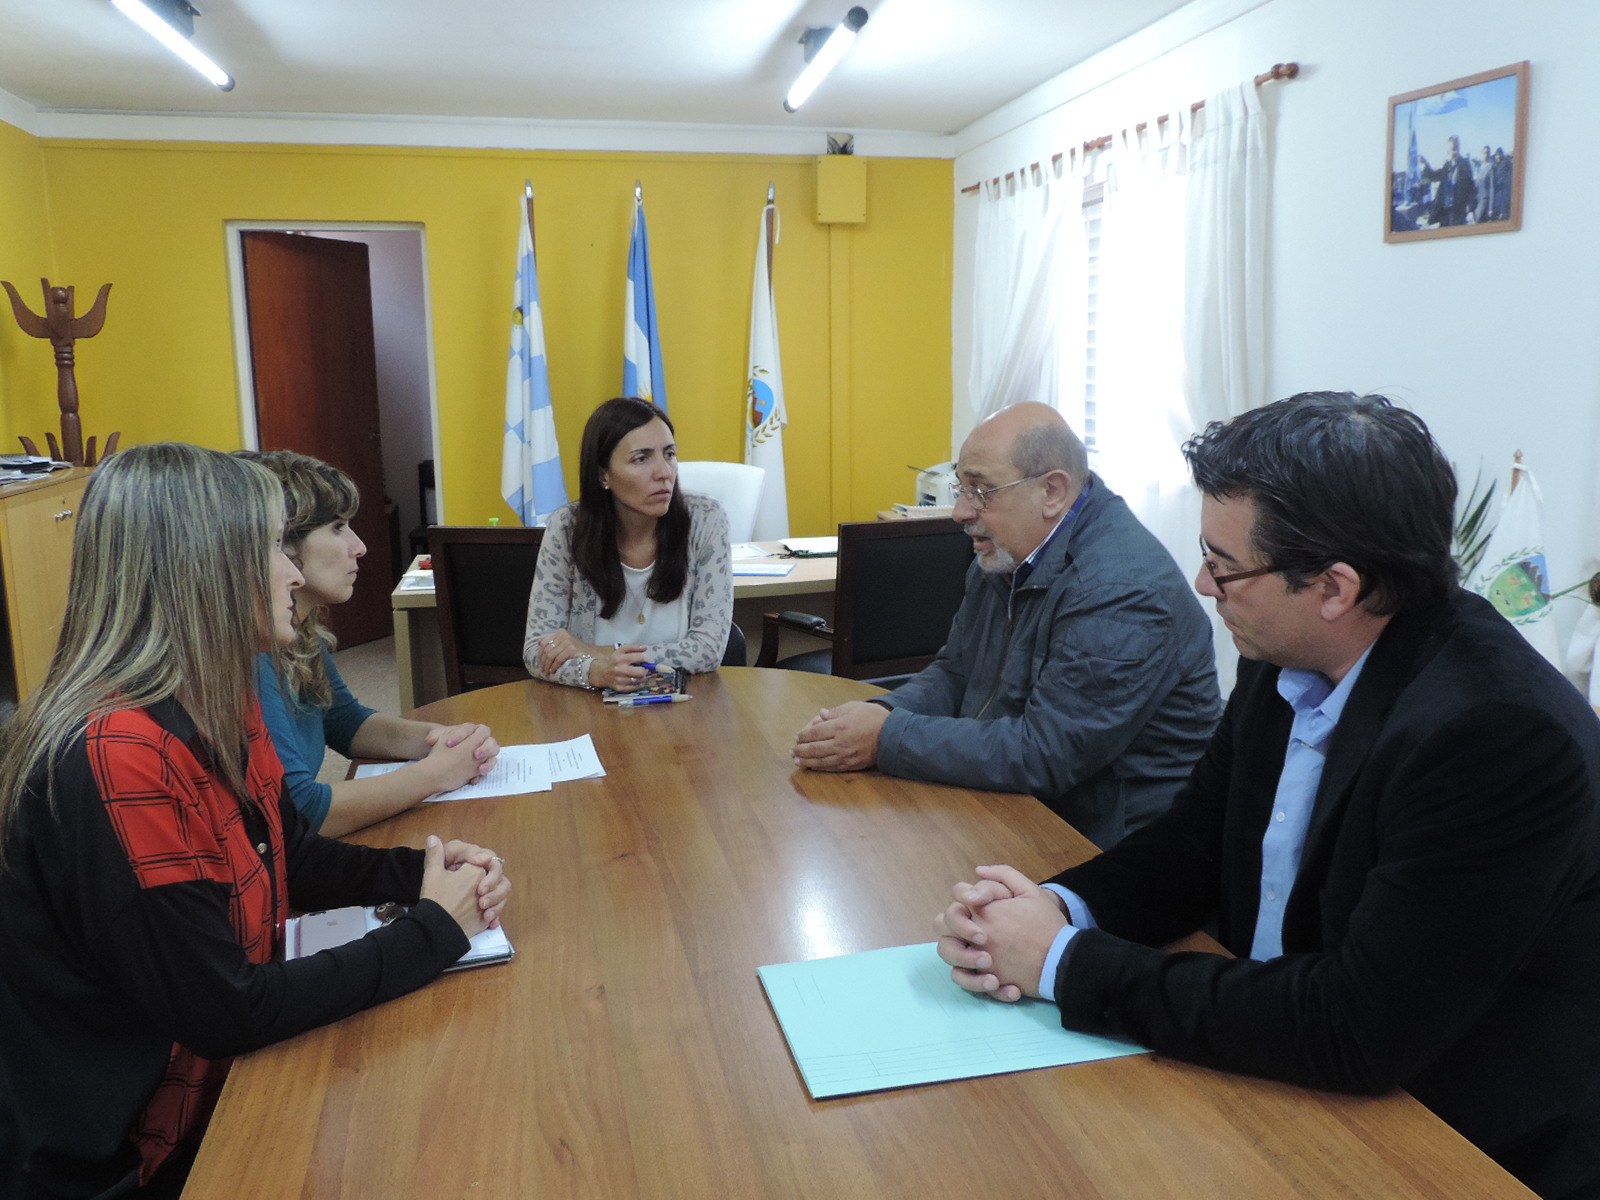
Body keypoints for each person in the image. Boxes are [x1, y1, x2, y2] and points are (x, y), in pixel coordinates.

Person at [933, 393, 1600, 1200]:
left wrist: (1064, 965)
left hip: (1457, 1141)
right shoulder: (1283, 648)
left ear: (1334, 587)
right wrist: (1054, 906)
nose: (1203, 585)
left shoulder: (1495, 737)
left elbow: (1359, 1027)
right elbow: (1197, 841)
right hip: (1281, 1067)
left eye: (1225, 564)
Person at [0, 444, 511, 1199]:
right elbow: (227, 1009)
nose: (296, 571)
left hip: (201, 1085)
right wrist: (432, 930)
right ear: (206, 564)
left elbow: (290, 856)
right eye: (275, 545)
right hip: (126, 1157)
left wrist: (425, 873)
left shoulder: (215, 691)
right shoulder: (116, 753)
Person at [793, 401, 1220, 849]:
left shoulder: (1122, 590)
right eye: (961, 487)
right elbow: (957, 671)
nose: (959, 511)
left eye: (981, 490)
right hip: (1020, 810)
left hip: (1116, 848)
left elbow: (1044, 754)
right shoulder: (1006, 551)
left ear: (1052, 492)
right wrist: (883, 713)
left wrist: (886, 738)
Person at [242, 450, 499, 837]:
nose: (359, 546)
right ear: (284, 544)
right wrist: (436, 774)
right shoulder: (252, 654)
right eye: (337, 528)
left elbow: (346, 722)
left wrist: (440, 739)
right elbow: (301, 812)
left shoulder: (301, 629)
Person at [524, 396, 733, 690]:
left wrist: (598, 654)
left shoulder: (705, 520)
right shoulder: (568, 528)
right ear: (603, 475)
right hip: (589, 711)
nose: (664, 472)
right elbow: (537, 652)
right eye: (641, 458)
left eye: (669, 454)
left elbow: (708, 649)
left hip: (682, 711)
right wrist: (598, 673)